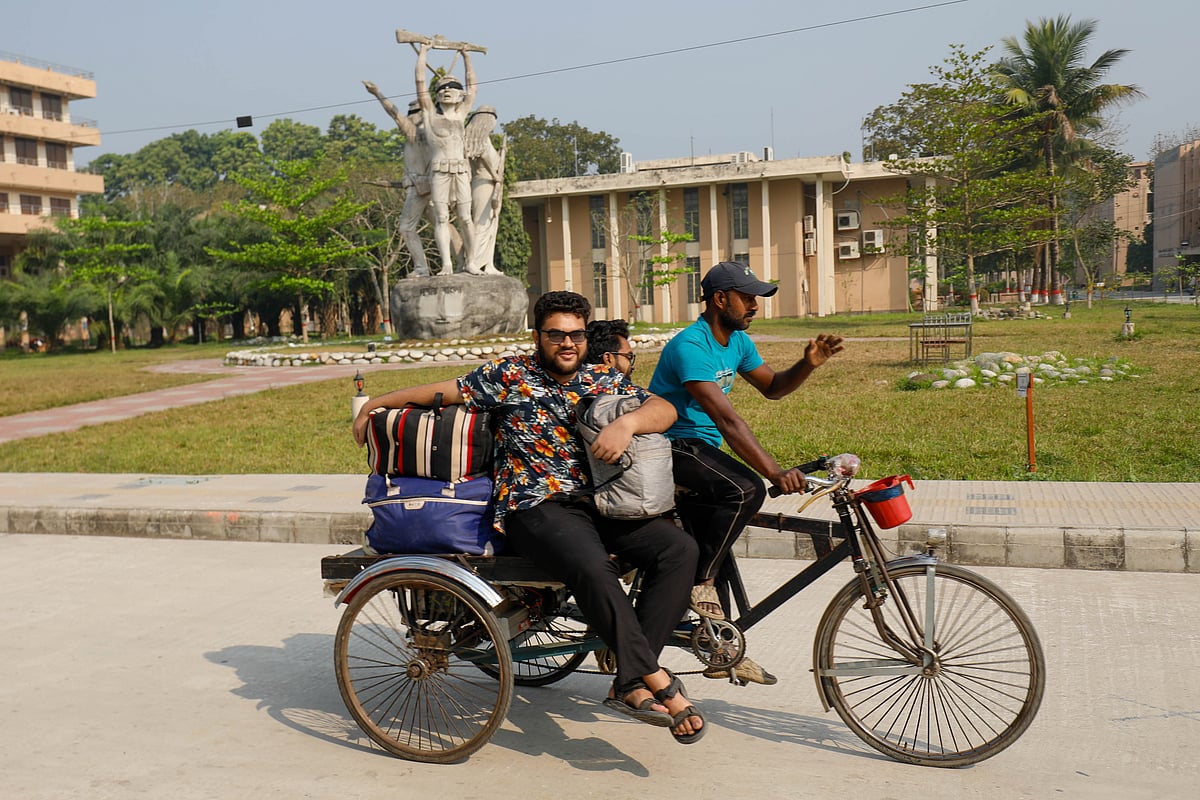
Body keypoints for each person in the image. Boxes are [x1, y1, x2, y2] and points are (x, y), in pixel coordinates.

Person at [353, 290, 705, 744]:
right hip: (534, 507)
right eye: (556, 334)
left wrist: (627, 424)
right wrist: (376, 401)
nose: (567, 344)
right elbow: (442, 391)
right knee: (593, 566)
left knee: (680, 550)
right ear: (538, 335)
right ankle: (654, 679)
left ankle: (630, 679)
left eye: (576, 335)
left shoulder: (603, 377)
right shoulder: (509, 375)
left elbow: (666, 408)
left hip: (599, 504)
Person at [648, 261, 844, 686]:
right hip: (670, 444)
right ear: (721, 299)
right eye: (748, 297)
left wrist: (807, 364)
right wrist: (773, 472)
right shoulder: (691, 346)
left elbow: (772, 387)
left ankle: (720, 645)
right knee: (743, 490)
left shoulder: (736, 341)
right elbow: (727, 421)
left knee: (716, 537)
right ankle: (700, 583)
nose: (755, 305)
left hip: (701, 449)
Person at [415, 42, 477, 276]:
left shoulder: (461, 114)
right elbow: (420, 83)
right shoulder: (431, 115)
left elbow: (473, 86)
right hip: (439, 171)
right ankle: (447, 264)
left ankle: (471, 261)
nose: (447, 89)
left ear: (460, 94)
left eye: (453, 86)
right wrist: (423, 53)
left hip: (461, 170)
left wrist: (466, 57)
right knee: (441, 217)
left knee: (465, 218)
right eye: (442, 87)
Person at [362, 83, 433, 277]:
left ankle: (421, 268)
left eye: (413, 112)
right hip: (428, 187)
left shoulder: (419, 133)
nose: (409, 116)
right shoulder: (429, 134)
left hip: (419, 189)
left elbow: (394, 114)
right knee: (442, 227)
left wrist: (378, 93)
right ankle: (458, 263)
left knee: (406, 228)